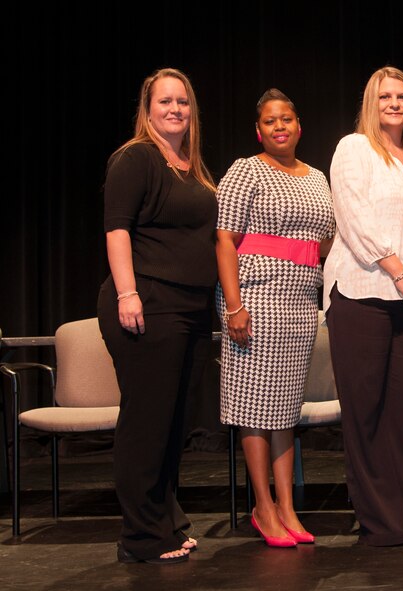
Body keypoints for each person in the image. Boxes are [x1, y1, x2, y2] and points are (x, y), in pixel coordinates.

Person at [98, 67, 217, 564]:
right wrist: (128, 294)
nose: (175, 110)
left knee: (174, 423)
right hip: (148, 304)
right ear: (147, 109)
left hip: (190, 309)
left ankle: (165, 521)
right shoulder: (136, 158)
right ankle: (141, 536)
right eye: (165, 101)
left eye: (183, 102)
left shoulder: (191, 164)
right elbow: (118, 229)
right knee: (148, 422)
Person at [324, 66, 403, 546]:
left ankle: (401, 515)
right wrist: (400, 272)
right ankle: (380, 522)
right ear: (370, 104)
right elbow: (354, 219)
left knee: (400, 415)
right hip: (363, 294)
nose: (395, 104)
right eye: (385, 97)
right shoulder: (354, 149)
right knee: (367, 411)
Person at [215, 89, 335, 548]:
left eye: (286, 119)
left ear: (299, 126)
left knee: (284, 410)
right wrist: (233, 305)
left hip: (302, 301)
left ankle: (287, 506)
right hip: (256, 297)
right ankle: (263, 507)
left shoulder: (317, 177)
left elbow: (325, 239)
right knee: (253, 408)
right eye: (270, 121)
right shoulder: (246, 170)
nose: (279, 126)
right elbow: (225, 240)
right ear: (259, 130)